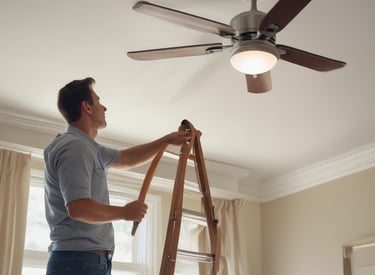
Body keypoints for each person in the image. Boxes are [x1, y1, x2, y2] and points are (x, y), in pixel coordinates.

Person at [44, 77, 191, 275]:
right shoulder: (75, 147)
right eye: (98, 102)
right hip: (79, 261)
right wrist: (124, 212)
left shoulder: (88, 148)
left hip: (84, 261)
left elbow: (127, 158)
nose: (104, 108)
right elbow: (79, 208)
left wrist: (167, 140)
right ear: (87, 107)